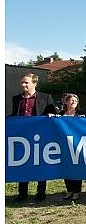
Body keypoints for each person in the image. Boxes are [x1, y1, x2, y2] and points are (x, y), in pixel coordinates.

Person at [10, 73, 56, 202]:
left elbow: (52, 113)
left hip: (40, 136)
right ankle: (22, 193)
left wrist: (51, 115)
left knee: (41, 162)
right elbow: (14, 115)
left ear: (34, 83)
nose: (23, 85)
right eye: (22, 82)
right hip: (22, 137)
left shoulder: (46, 97)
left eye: (26, 82)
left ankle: (41, 192)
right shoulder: (16, 98)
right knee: (22, 162)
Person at [55, 93, 86, 202]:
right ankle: (69, 190)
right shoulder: (60, 113)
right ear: (66, 102)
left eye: (75, 101)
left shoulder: (82, 113)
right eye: (71, 100)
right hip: (63, 144)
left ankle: (77, 191)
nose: (73, 102)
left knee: (77, 167)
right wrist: (52, 117)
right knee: (66, 167)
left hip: (77, 144)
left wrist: (84, 120)